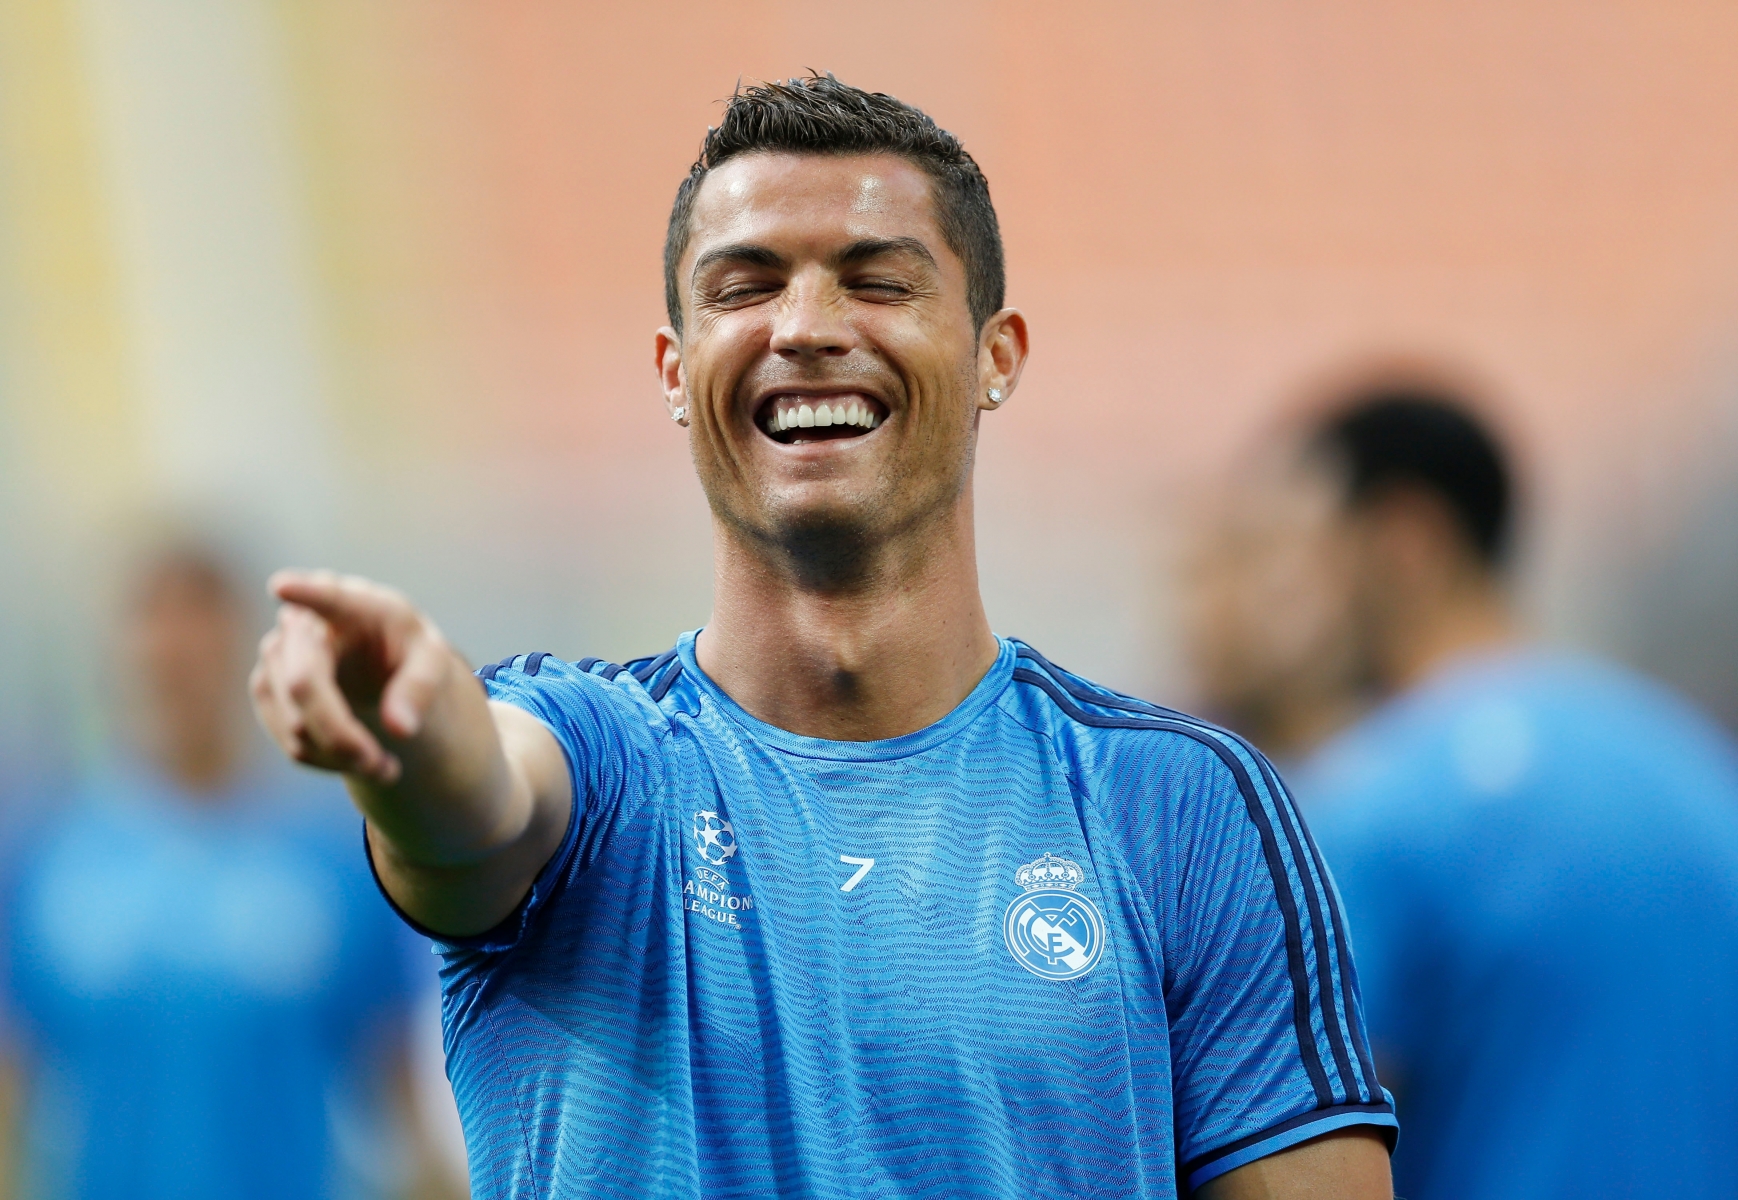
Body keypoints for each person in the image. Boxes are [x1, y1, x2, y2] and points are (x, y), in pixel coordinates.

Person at [249, 75, 1395, 1199]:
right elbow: (478, 801)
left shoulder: (1181, 808)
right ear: (673, 369)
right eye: (744, 288)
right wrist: (405, 730)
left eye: (875, 281)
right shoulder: (601, 759)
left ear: (996, 355)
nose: (803, 328)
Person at [1284, 389, 1738, 1198]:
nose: (1282, 595)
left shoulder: (1374, 797)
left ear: (1402, 541)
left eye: (1300, 550)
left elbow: (1292, 1139)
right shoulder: (1697, 766)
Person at [0, 540, 449, 1200]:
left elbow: (399, 1101)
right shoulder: (48, 862)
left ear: (244, 647)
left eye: (201, 620)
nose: (179, 650)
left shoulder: (335, 863)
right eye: (156, 622)